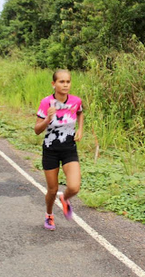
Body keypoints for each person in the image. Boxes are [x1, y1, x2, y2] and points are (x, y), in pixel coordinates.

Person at [35, 69, 84, 231]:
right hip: (50, 149)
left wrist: (80, 129)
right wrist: (48, 118)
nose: (65, 85)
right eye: (61, 82)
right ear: (53, 84)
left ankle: (64, 198)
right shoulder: (46, 102)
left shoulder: (76, 101)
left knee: (74, 187)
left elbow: (80, 112)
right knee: (52, 189)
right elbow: (36, 130)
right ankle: (49, 215)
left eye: (68, 82)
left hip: (69, 148)